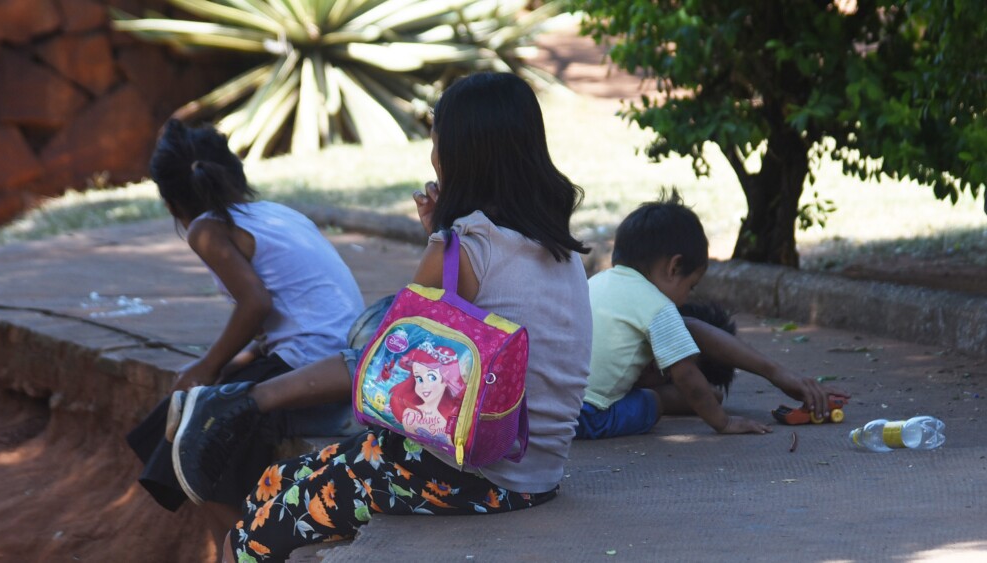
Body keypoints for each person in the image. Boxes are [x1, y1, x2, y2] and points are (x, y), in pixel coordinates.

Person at [165, 72, 593, 562]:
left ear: (459, 155)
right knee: (276, 482)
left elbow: (387, 361)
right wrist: (442, 237)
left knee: (247, 538)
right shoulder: (560, 248)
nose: (433, 156)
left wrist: (439, 240)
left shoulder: (465, 246)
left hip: (470, 475)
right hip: (536, 473)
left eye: (437, 143)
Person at [125, 119, 365, 543]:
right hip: (337, 355)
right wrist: (245, 358)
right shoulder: (274, 213)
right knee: (176, 421)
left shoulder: (206, 229)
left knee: (193, 439)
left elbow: (257, 303)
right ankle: (235, 539)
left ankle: (242, 541)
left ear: (170, 200)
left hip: (307, 364)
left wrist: (207, 364)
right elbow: (293, 310)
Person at [576, 201, 849, 439]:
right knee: (651, 403)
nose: (685, 300)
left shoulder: (597, 282)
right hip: (585, 418)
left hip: (547, 405)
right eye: (692, 286)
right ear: (674, 267)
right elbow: (686, 375)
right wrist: (724, 422)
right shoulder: (659, 308)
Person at [389, 343, 467, 445]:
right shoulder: (410, 413)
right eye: (419, 379)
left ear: (446, 380)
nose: (424, 386)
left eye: (432, 378)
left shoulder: (451, 419)